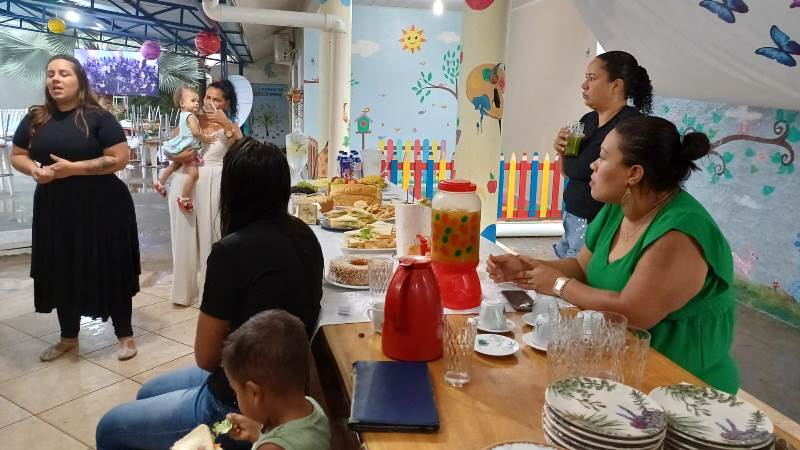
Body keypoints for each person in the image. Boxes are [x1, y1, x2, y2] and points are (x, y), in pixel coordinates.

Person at [96, 137, 325, 450]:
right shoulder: (305, 234)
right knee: (147, 392)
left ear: (231, 190)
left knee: (110, 428)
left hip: (238, 400)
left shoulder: (231, 251)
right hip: (287, 385)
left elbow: (205, 357)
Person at [488, 116, 739, 394]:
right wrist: (527, 267)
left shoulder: (679, 235)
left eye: (603, 157)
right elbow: (581, 267)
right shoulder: (619, 207)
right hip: (618, 366)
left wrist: (558, 284)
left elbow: (631, 314)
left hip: (684, 386)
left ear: (634, 173)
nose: (593, 165)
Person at [10, 55, 139, 362]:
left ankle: (125, 335)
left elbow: (119, 158)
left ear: (79, 80)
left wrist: (74, 169)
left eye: (64, 73)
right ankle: (68, 338)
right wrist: (34, 169)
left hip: (102, 207)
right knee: (62, 268)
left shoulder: (99, 117)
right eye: (50, 74)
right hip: (55, 208)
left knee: (109, 266)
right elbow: (17, 154)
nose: (55, 79)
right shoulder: (36, 118)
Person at [552, 50, 653, 258]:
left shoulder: (630, 127)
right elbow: (571, 172)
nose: (584, 85)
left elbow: (630, 184)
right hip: (572, 216)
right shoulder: (587, 120)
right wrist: (561, 150)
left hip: (599, 223)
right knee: (562, 265)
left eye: (592, 78)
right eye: (585, 78)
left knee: (573, 272)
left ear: (616, 85)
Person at [169, 79, 244, 306]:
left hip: (215, 183)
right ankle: (183, 293)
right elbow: (171, 149)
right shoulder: (190, 118)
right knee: (183, 237)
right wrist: (178, 156)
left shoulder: (231, 126)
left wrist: (226, 124)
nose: (209, 102)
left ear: (227, 103)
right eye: (207, 97)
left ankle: (211, 295)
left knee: (213, 237)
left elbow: (242, 150)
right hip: (185, 179)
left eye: (217, 99)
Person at [221, 310, 331, 450]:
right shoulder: (311, 407)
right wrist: (256, 432)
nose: (236, 396)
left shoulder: (271, 448)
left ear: (253, 393)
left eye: (236, 391)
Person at [154, 86, 218, 212]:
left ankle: (160, 183)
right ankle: (184, 197)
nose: (197, 103)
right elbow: (195, 133)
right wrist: (205, 138)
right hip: (188, 148)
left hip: (181, 146)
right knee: (193, 174)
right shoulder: (191, 116)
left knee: (174, 165)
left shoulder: (183, 115)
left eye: (198, 101)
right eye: (193, 101)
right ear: (182, 103)